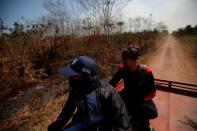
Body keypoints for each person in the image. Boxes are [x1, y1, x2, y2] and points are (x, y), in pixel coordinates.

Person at [48, 56, 130, 131]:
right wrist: (56, 125)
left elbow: (121, 117)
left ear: (87, 76)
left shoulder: (107, 92)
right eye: (71, 75)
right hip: (83, 122)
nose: (72, 78)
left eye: (75, 75)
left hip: (103, 125)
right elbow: (67, 110)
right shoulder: (76, 89)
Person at [110, 44, 158, 131]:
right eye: (123, 58)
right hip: (126, 94)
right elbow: (112, 83)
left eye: (125, 58)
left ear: (133, 60)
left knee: (153, 113)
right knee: (112, 108)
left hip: (141, 99)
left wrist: (139, 101)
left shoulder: (146, 71)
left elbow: (152, 92)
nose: (123, 61)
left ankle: (142, 124)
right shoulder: (122, 69)